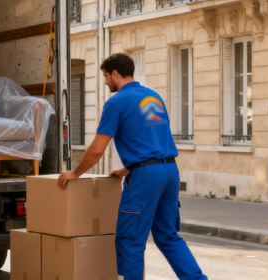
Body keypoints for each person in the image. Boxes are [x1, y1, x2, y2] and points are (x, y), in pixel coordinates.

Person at [56, 53, 207, 280]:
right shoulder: (152, 97)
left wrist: (75, 173)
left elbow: (97, 148)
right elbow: (150, 137)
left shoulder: (116, 102)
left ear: (115, 73)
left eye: (106, 76)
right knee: (167, 235)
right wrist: (126, 169)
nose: (106, 81)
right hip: (169, 171)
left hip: (146, 178)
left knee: (130, 240)